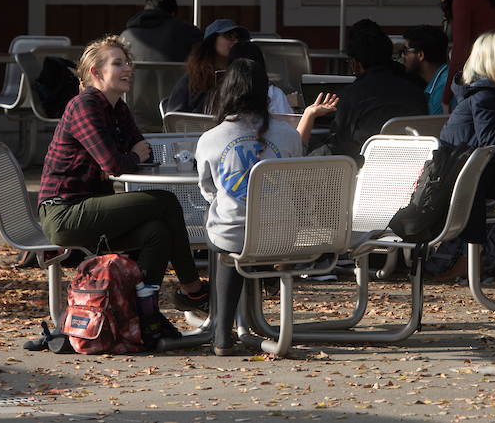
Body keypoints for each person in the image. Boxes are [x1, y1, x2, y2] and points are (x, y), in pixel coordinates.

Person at [38, 35, 209, 316]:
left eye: (127, 62)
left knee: (157, 231)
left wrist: (129, 157)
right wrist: (129, 157)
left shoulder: (119, 109)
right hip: (63, 213)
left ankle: (140, 312)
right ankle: (195, 291)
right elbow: (115, 165)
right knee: (165, 202)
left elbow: (145, 154)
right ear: (95, 72)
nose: (128, 68)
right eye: (117, 63)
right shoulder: (85, 105)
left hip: (91, 209)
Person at [196, 57, 338, 355]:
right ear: (265, 93)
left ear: (226, 91)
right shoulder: (287, 135)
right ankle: (269, 296)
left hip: (234, 234)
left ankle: (222, 333)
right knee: (257, 230)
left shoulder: (210, 138)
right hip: (280, 235)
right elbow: (295, 177)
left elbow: (208, 188)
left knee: (225, 235)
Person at [428, 31, 495, 283]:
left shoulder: (487, 94)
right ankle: (469, 262)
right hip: (460, 180)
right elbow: (492, 145)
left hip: (468, 175)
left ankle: (491, 256)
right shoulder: (485, 96)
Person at [315, 19, 426, 161]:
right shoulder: (416, 92)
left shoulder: (351, 96)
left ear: (355, 63)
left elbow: (339, 143)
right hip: (412, 165)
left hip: (365, 169)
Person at [165, 19, 250, 114]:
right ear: (211, 40)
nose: (235, 42)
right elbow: (174, 119)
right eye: (229, 36)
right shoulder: (191, 81)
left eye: (239, 38)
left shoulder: (244, 77)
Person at [119, 0, 203, 63]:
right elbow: (208, 43)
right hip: (173, 81)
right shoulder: (182, 29)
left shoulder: (126, 35)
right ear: (173, 14)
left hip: (135, 82)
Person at [401, 25, 451, 116]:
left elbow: (439, 128)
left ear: (420, 55)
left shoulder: (443, 87)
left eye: (406, 51)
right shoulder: (440, 81)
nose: (402, 56)